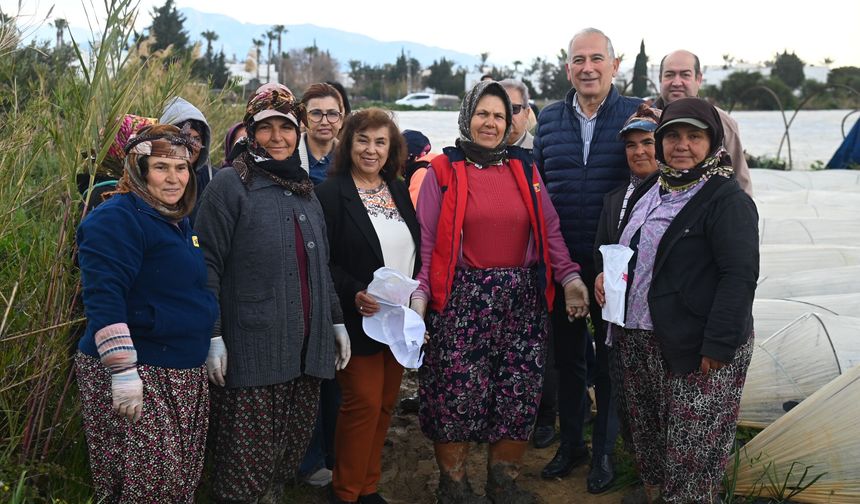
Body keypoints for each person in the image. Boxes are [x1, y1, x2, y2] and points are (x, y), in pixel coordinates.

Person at [413, 81, 589, 503]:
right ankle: (453, 486)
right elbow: (428, 242)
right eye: (483, 114)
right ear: (467, 117)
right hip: (460, 300)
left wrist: (570, 278)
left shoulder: (525, 170)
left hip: (522, 300)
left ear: (510, 121)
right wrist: (419, 302)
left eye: (499, 115)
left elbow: (550, 230)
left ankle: (503, 481)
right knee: (455, 393)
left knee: (518, 391)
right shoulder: (442, 170)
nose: (491, 122)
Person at [194, 83, 351, 503]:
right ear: (250, 131)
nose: (278, 137)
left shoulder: (304, 189)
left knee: (284, 461)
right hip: (252, 353)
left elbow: (320, 267)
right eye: (266, 128)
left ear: (298, 132)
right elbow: (206, 264)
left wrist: (335, 321)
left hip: (306, 353)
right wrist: (212, 334)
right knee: (244, 468)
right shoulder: (230, 186)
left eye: (287, 126)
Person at [601, 97, 759, 503]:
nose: (681, 145)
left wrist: (719, 345)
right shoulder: (652, 190)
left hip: (695, 347)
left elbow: (738, 276)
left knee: (691, 455)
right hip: (638, 337)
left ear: (713, 142)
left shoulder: (726, 200)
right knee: (650, 443)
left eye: (694, 136)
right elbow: (635, 251)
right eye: (672, 135)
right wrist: (608, 276)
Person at [75, 124, 218, 503]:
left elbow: (187, 290)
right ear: (138, 169)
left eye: (182, 167)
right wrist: (122, 370)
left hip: (182, 371)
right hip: (141, 368)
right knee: (148, 483)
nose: (174, 178)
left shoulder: (174, 220)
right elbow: (104, 296)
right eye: (161, 167)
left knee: (178, 481)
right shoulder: (116, 218)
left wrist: (211, 337)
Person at [533, 27, 642, 491]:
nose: (588, 67)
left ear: (614, 66)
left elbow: (649, 183)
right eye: (579, 59)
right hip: (562, 263)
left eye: (597, 58)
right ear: (568, 68)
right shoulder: (550, 118)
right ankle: (571, 442)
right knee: (569, 357)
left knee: (610, 359)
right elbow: (538, 191)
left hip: (615, 265)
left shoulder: (636, 115)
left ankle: (604, 453)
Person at [316, 108, 420, 504]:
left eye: (380, 141)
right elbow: (323, 260)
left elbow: (413, 248)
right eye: (363, 140)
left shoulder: (396, 189)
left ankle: (368, 487)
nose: (371, 149)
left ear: (392, 147)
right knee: (362, 404)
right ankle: (345, 492)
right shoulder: (331, 193)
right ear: (348, 143)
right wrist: (355, 291)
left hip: (398, 320)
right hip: (358, 315)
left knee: (386, 406)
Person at [655, 50, 753, 196]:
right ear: (660, 79)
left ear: (698, 79)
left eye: (685, 75)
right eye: (669, 75)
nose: (676, 82)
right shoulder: (642, 120)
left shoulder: (722, 122)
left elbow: (739, 177)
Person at [159, 96, 217, 200]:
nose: (190, 147)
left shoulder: (214, 179)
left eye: (197, 139)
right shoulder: (152, 178)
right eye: (183, 138)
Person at [300, 82, 346, 184]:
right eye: (316, 113)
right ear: (302, 119)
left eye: (332, 114)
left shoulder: (352, 160)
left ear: (341, 120)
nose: (324, 122)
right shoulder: (288, 160)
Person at [500, 79, 533, 150]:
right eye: (500, 109)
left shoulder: (542, 153)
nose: (507, 115)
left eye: (514, 109)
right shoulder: (478, 154)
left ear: (526, 114)